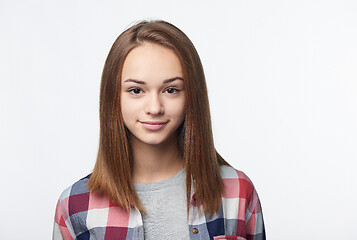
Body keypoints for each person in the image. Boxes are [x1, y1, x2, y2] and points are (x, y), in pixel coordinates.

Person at [53, 20, 266, 240]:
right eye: (136, 90)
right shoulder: (75, 206)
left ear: (192, 95)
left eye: (171, 90)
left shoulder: (238, 191)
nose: (154, 108)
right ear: (113, 96)